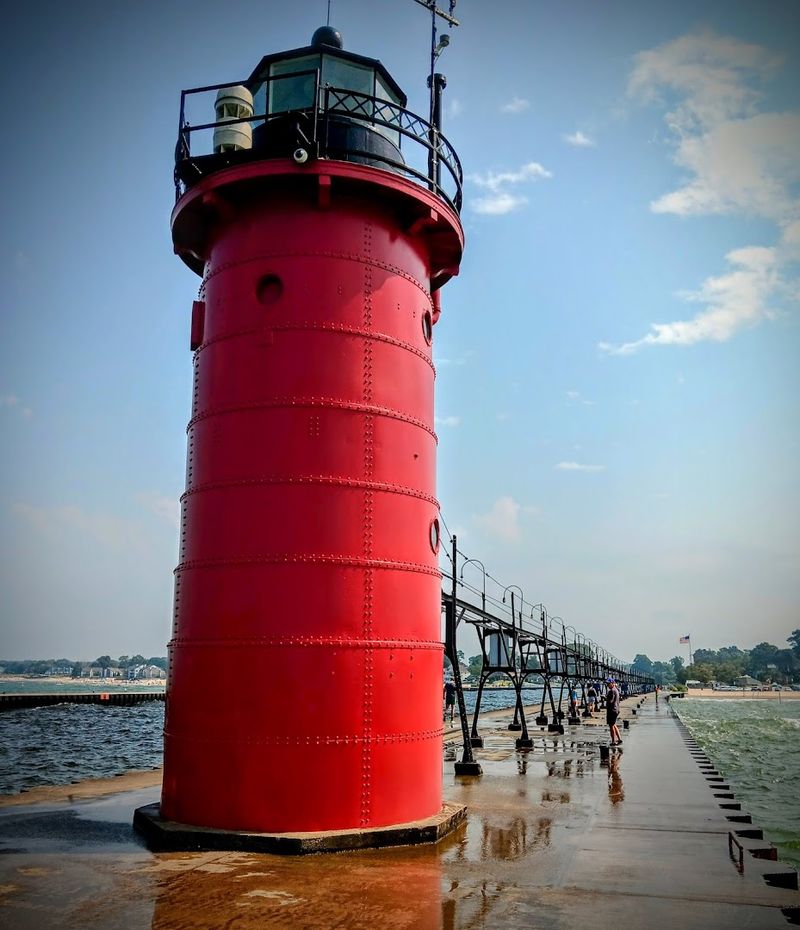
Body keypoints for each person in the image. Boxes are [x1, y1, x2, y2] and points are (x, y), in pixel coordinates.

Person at [606, 677, 622, 745]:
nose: (607, 685)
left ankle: (613, 741)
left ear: (612, 683)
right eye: (607, 684)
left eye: (608, 683)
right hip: (616, 709)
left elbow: (611, 701)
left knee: (611, 726)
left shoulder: (612, 691)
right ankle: (619, 739)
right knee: (614, 724)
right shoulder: (616, 690)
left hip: (612, 710)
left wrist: (605, 698)